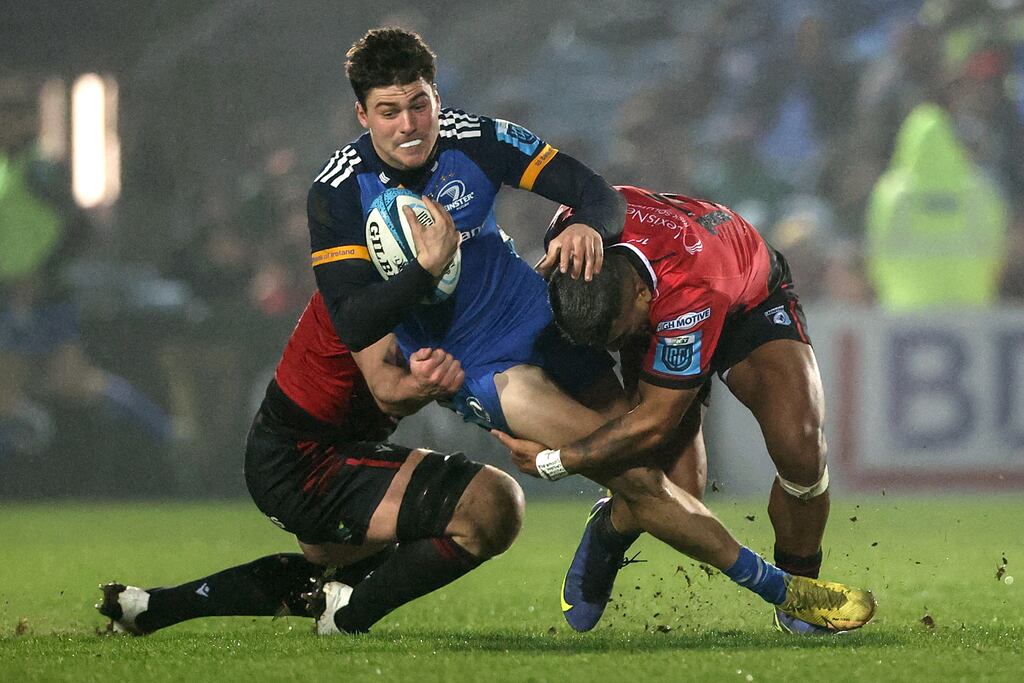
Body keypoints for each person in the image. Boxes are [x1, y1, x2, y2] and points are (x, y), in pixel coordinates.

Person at [311, 28, 867, 634]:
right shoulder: (337, 195)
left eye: (419, 103)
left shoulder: (474, 138)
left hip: (543, 317)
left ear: (437, 97)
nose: (410, 124)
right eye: (389, 112)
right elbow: (352, 319)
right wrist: (424, 271)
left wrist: (590, 229)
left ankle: (605, 531)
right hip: (481, 365)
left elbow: (593, 191)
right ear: (362, 115)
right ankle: (785, 592)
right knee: (642, 480)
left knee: (679, 480)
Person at [493, 185, 867, 635]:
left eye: (618, 337)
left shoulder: (689, 286)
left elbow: (654, 423)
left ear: (638, 296)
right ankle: (610, 525)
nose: (614, 349)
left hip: (744, 299)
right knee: (678, 489)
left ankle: (800, 591)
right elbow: (589, 192)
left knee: (800, 447)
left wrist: (558, 461)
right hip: (668, 307)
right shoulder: (572, 245)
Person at [98, 288, 524, 635]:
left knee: (344, 569)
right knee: (491, 504)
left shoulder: (394, 274)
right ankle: (347, 618)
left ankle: (152, 607)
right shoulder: (371, 283)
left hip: (303, 456)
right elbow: (388, 389)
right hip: (306, 461)